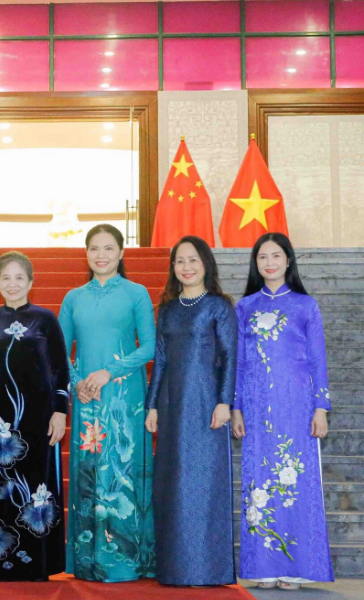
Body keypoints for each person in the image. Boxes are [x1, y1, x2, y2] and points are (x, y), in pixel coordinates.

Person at [230, 233, 334, 591]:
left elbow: (318, 360)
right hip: (257, 409)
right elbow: (240, 364)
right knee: (259, 482)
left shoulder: (307, 306)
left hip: (297, 405)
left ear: (288, 260)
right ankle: (262, 566)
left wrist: (321, 407)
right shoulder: (244, 308)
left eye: (276, 255)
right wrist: (236, 407)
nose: (269, 262)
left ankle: (296, 566)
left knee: (297, 482)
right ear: (255, 264)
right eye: (262, 257)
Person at [59, 223, 156, 582]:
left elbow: (148, 346)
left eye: (108, 248)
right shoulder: (73, 297)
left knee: (122, 469)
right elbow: (60, 349)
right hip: (86, 398)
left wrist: (107, 372)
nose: (101, 255)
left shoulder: (136, 293)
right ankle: (88, 560)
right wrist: (76, 382)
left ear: (121, 253)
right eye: (94, 248)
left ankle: (126, 560)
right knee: (89, 471)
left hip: (124, 397)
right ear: (86, 254)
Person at [0, 251, 69, 581]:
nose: (12, 284)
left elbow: (59, 369)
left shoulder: (45, 319)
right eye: (6, 277)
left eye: (19, 277)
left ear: (31, 281)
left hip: (38, 422)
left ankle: (37, 563)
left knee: (37, 489)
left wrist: (60, 411)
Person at [146, 235, 237, 587]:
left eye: (193, 260)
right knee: (173, 483)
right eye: (180, 261)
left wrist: (224, 401)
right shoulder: (167, 309)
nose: (186, 267)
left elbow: (230, 355)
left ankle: (206, 568)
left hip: (206, 405)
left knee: (204, 482)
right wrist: (151, 404)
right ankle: (174, 567)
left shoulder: (219, 307)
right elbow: (162, 360)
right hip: (170, 405)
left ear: (205, 264)